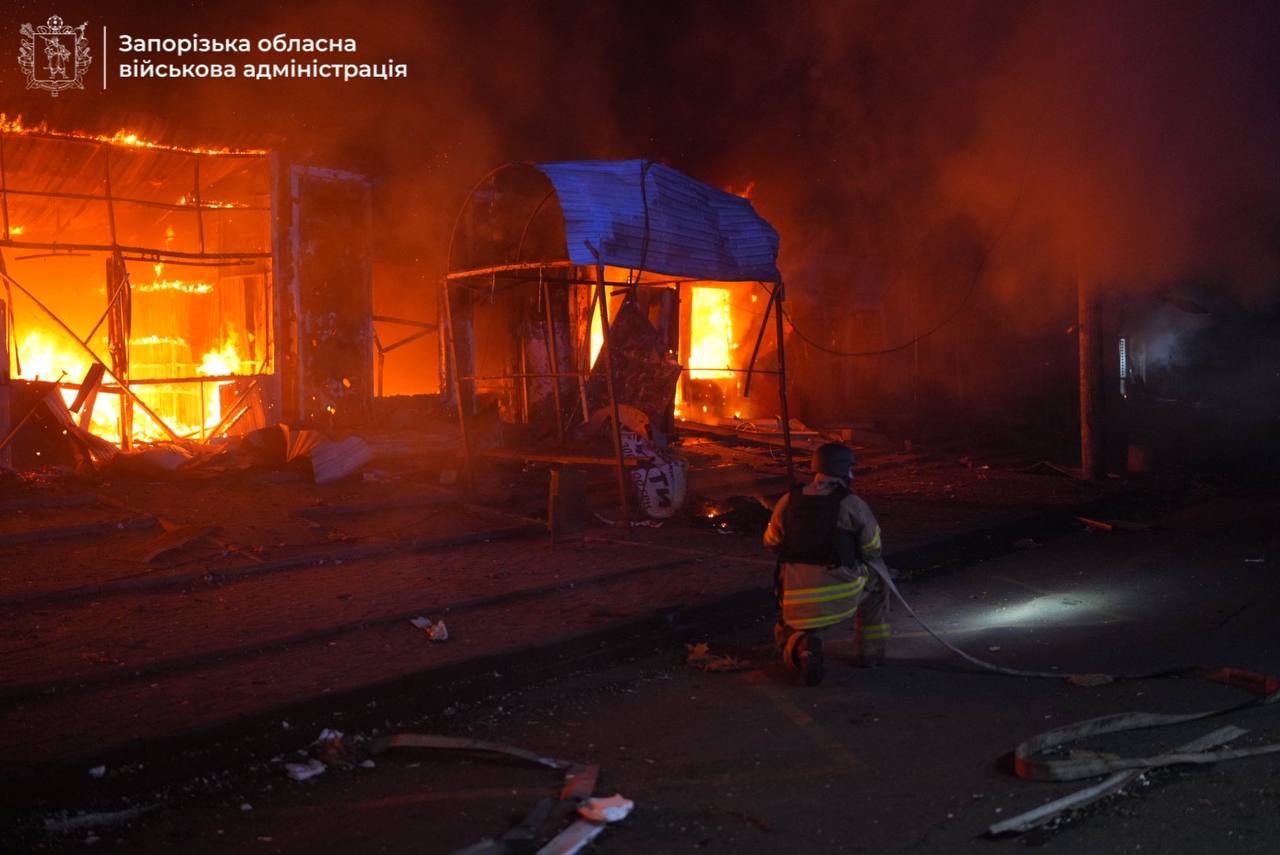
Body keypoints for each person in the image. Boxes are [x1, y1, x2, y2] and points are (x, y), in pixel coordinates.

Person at [764, 442, 891, 685]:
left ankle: (798, 645)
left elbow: (770, 541)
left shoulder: (789, 499)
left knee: (800, 623)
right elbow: (873, 547)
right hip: (839, 588)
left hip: (793, 593)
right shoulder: (851, 502)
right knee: (878, 586)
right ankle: (871, 654)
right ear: (844, 471)